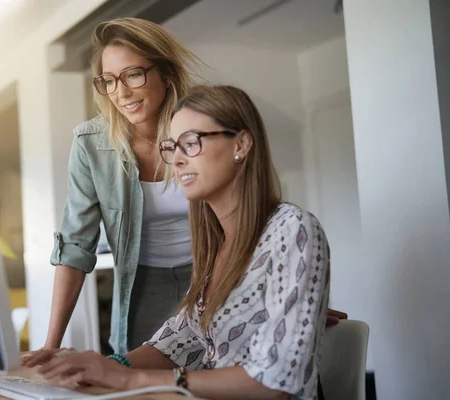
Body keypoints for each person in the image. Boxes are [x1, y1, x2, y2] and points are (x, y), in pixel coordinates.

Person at [23, 17, 346, 365]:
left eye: (133, 74)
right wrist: (50, 345)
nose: (122, 92)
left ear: (164, 72)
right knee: (140, 370)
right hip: (144, 279)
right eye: (109, 81)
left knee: (225, 364)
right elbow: (75, 245)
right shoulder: (91, 144)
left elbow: (250, 203)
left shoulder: (202, 125)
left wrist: (288, 291)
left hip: (217, 267)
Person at [28, 85, 331, 400]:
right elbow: (179, 341)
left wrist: (129, 379)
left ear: (241, 144)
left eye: (191, 143)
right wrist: (100, 366)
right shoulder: (215, 245)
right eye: (172, 147)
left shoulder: (292, 229)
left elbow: (277, 381)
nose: (177, 160)